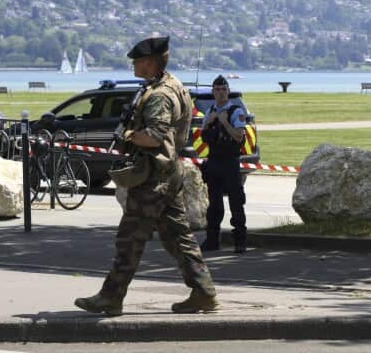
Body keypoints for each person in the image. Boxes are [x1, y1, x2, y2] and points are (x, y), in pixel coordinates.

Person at [74, 35, 218, 315]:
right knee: (178, 237)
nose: (133, 65)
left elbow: (153, 136)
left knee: (130, 239)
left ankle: (110, 297)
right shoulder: (174, 85)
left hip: (153, 177)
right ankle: (204, 292)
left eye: (137, 61)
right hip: (169, 172)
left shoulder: (160, 95)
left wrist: (128, 135)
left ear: (150, 63)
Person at [200, 75, 248, 254]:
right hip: (213, 161)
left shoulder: (236, 111)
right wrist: (210, 122)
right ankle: (212, 240)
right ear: (213, 92)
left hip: (230, 162)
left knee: (236, 202)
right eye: (217, 90)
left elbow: (238, 136)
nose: (220, 93)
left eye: (224, 89)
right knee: (214, 204)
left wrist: (224, 121)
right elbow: (204, 136)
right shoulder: (210, 111)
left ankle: (240, 241)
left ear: (228, 91)